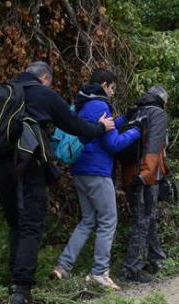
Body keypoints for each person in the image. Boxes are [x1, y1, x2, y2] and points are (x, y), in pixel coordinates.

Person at [0, 61, 114, 304]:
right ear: (45, 78)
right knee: (31, 224)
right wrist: (101, 127)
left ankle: (14, 276)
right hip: (28, 165)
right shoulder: (43, 94)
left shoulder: (2, 93)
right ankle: (21, 292)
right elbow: (75, 126)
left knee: (15, 223)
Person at [51, 69, 140, 289]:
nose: (112, 93)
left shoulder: (81, 104)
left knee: (88, 220)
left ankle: (62, 267)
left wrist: (123, 120)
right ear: (105, 85)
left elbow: (98, 131)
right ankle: (99, 272)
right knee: (108, 220)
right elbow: (113, 144)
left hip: (80, 170)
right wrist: (137, 130)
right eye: (112, 89)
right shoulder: (100, 105)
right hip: (97, 170)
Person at [120, 86, 169, 282]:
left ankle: (156, 258)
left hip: (129, 173)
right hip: (145, 177)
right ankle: (131, 269)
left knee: (147, 219)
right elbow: (154, 146)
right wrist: (146, 174)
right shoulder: (157, 114)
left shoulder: (135, 113)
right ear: (162, 100)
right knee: (142, 221)